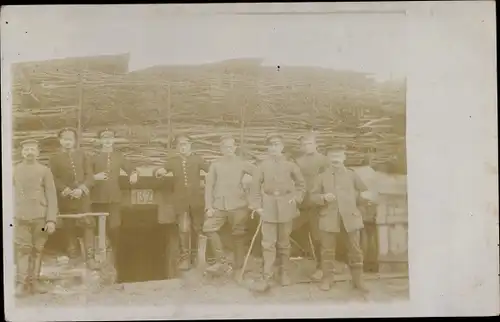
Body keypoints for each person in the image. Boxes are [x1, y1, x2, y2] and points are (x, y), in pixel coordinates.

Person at [310, 143, 373, 292]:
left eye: (338, 156)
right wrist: (323, 197)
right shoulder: (321, 177)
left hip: (351, 219)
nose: (335, 159)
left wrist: (358, 206)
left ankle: (358, 281)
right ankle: (327, 279)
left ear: (344, 157)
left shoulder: (352, 175)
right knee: (327, 251)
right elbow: (312, 197)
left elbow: (365, 194)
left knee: (356, 250)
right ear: (327, 158)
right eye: (332, 156)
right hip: (328, 219)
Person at [250, 133, 305, 292]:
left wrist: (296, 198)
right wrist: (257, 206)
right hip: (267, 207)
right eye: (271, 145)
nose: (274, 148)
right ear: (268, 148)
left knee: (284, 243)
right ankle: (267, 275)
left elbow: (302, 185)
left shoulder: (290, 165)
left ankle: (283, 273)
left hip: (286, 206)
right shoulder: (262, 166)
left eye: (277, 145)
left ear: (282, 147)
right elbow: (254, 188)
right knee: (268, 243)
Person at [203, 134, 255, 278]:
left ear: (235, 148)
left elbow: (260, 176)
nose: (228, 149)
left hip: (239, 205)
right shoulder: (215, 165)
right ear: (221, 149)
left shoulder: (242, 163)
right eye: (225, 147)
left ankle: (239, 268)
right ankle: (222, 262)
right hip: (219, 205)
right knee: (208, 228)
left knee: (238, 234)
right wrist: (209, 207)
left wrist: (251, 194)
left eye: (231, 147)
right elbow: (209, 186)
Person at [154, 135, 209, 271]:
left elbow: (211, 170)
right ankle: (185, 258)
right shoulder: (173, 161)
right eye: (180, 145)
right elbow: (161, 170)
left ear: (190, 145)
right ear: (178, 147)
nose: (183, 147)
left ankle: (198, 257)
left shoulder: (197, 159)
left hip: (196, 200)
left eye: (185, 144)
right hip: (181, 201)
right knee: (183, 229)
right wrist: (159, 172)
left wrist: (210, 178)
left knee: (198, 228)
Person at [14, 139, 58, 297]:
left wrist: (51, 220)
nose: (29, 152)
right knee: (23, 250)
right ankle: (21, 284)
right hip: (20, 217)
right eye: (26, 149)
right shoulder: (14, 170)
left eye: (32, 149)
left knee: (38, 250)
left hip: (40, 217)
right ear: (22, 152)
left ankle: (35, 282)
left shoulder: (44, 170)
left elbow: (51, 196)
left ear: (38, 152)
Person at [49, 127, 97, 270]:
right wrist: (64, 189)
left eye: (70, 139)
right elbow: (52, 177)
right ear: (60, 141)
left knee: (88, 224)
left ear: (75, 141)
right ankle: (73, 255)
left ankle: (90, 258)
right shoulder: (54, 158)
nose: (67, 142)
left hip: (82, 197)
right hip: (66, 198)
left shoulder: (82, 156)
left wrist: (82, 188)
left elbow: (90, 175)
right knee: (69, 226)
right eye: (64, 139)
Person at [90, 128, 139, 268]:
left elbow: (130, 168)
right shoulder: (94, 158)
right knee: (98, 228)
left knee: (115, 226)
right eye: (104, 138)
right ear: (100, 141)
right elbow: (86, 176)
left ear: (113, 141)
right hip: (97, 198)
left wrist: (133, 174)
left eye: (110, 138)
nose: (107, 141)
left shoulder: (119, 157)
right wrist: (95, 177)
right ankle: (100, 255)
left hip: (114, 197)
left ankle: (114, 253)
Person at [295, 133, 330, 281]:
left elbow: (330, 181)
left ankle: (322, 268)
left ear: (316, 144)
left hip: (318, 204)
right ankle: (282, 267)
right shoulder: (298, 161)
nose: (307, 146)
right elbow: (295, 181)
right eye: (305, 144)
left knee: (318, 237)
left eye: (310, 143)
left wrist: (324, 198)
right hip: (302, 204)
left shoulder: (324, 160)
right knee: (285, 230)